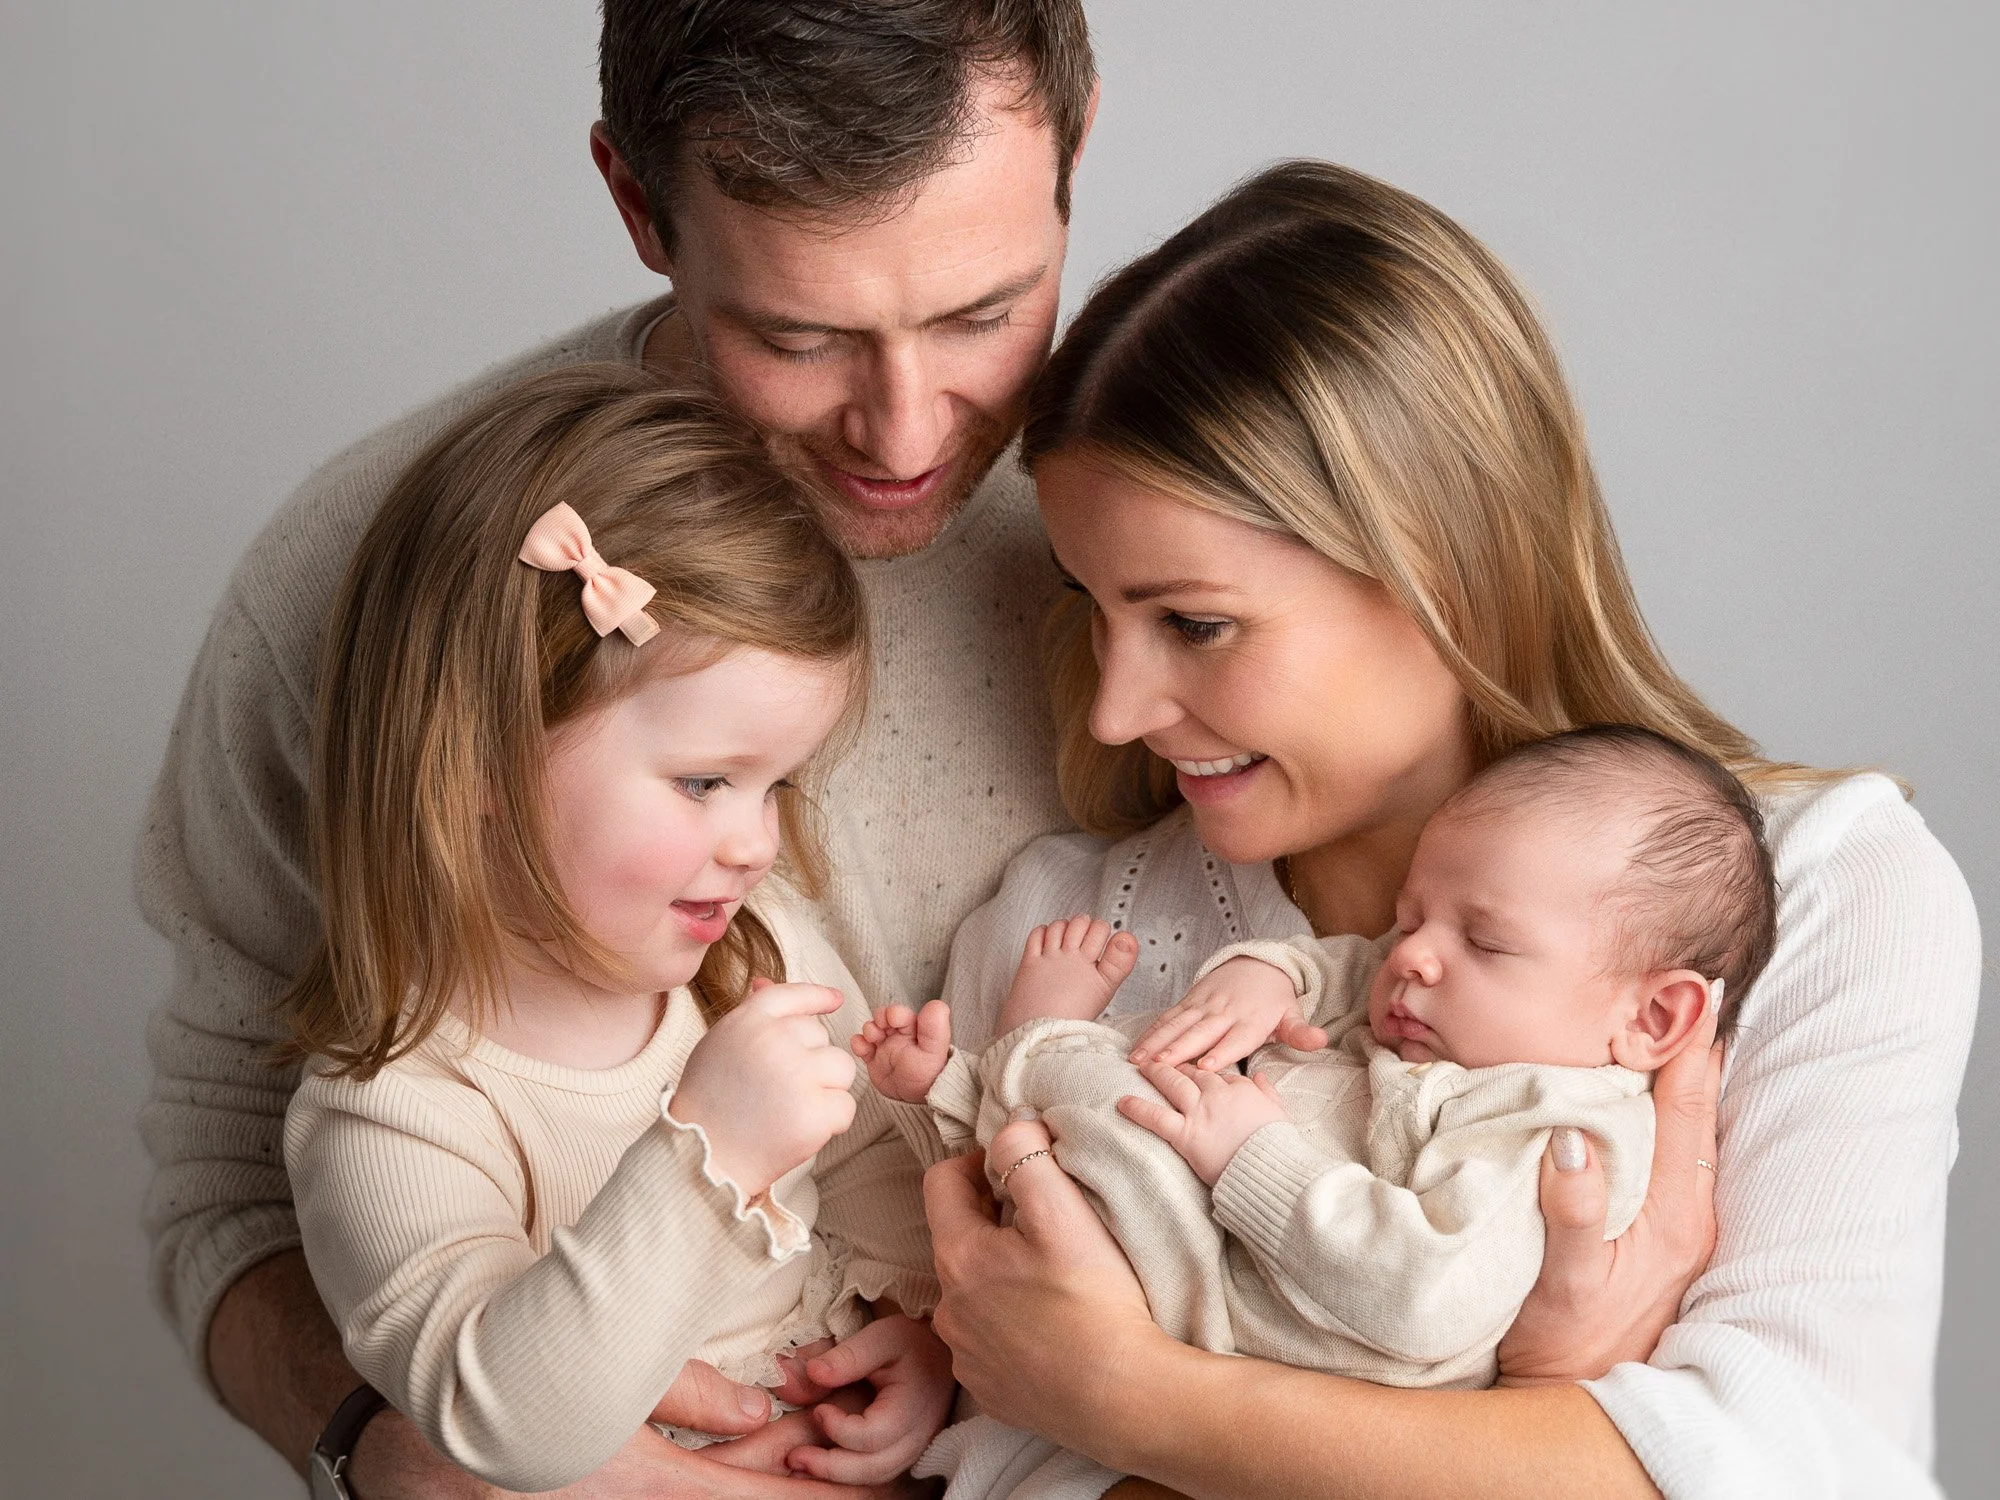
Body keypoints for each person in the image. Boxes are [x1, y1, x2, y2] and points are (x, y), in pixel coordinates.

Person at [137, 4, 1097, 1494]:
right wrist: (404, 1454)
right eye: (799, 333)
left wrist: (936, 1330)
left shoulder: (1188, 541)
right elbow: (224, 1159)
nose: (906, 433)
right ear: (638, 205)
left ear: (1076, 157)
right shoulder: (378, 574)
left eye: (986, 313)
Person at [919, 160, 1980, 1499]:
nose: (1121, 709)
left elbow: (1804, 1472)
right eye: (1092, 607)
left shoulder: (1821, 891)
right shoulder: (1062, 938)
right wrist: (1560, 1412)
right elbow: (990, 1456)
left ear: (1445, 567)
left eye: (1194, 622)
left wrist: (1134, 1399)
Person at [280, 366, 955, 1491]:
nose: (756, 844)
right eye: (702, 782)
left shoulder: (753, 949)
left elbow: (870, 1154)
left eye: (777, 784)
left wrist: (911, 1326)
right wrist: (710, 1156)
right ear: (483, 754)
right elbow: (503, 1431)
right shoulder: (396, 1106)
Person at [864, 726, 1774, 1497]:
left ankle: (1022, 1056)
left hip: (1280, 1337)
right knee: (1151, 1093)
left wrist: (1253, 1158)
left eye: (1483, 940)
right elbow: (1345, 960)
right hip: (1215, 1280)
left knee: (1135, 1122)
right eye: (1413, 915)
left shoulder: (1549, 1122)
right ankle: (980, 1083)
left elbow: (1427, 1299)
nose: (1413, 955)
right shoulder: (1446, 1018)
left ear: (1654, 1017)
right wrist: (1268, 973)